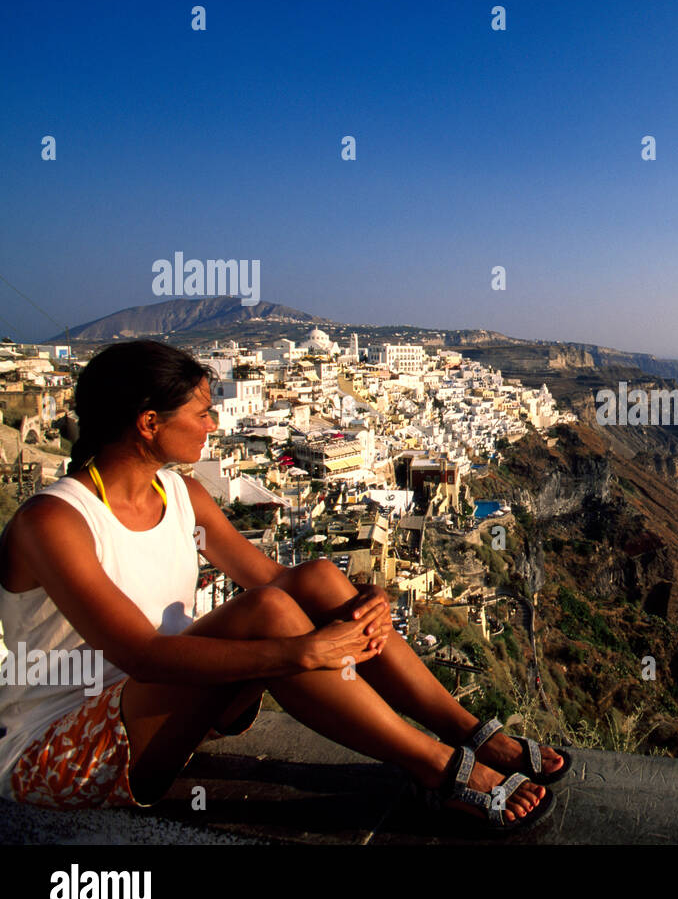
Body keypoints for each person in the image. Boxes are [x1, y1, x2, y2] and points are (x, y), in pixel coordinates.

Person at [0, 340, 568, 832]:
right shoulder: (54, 522)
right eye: (199, 412)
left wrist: (366, 597)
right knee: (270, 614)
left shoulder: (182, 496)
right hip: (69, 749)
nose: (212, 423)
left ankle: (470, 733)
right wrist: (304, 651)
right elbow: (141, 656)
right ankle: (437, 767)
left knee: (318, 577)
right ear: (149, 422)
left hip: (174, 707)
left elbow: (278, 578)